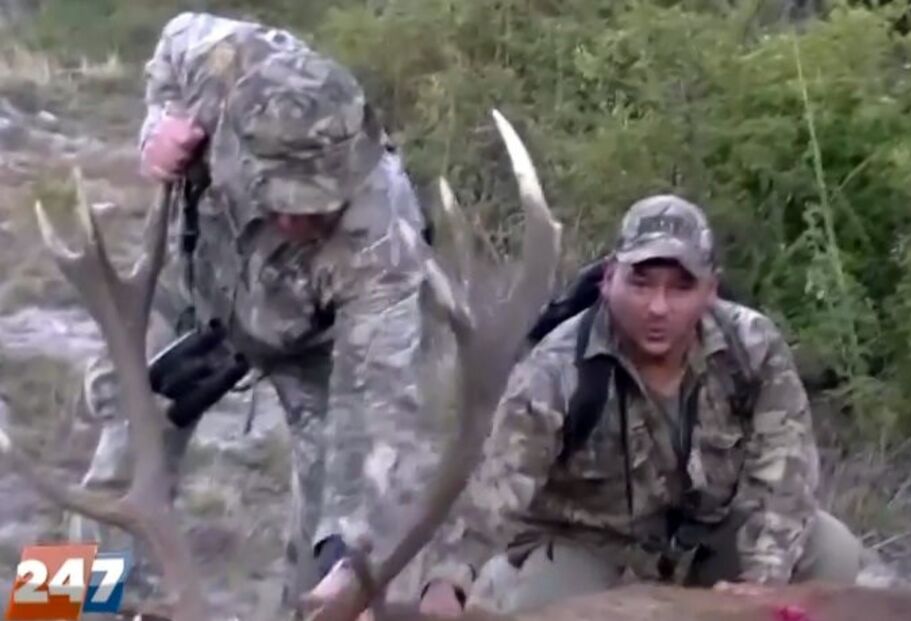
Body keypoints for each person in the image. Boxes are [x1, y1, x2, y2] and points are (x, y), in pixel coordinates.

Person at [71, 10, 455, 609]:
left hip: (314, 344)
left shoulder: (384, 238)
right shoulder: (219, 59)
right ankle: (72, 608)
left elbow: (376, 404)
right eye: (284, 202)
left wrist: (348, 553)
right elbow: (171, 41)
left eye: (318, 206)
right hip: (199, 297)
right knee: (118, 472)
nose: (299, 221)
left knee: (335, 532)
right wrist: (156, 127)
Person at [414, 194, 864, 616]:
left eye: (681, 288)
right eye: (641, 284)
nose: (658, 307)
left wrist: (762, 582)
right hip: (593, 550)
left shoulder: (752, 348)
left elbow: (786, 472)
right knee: (534, 606)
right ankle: (505, 585)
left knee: (832, 551)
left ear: (710, 290)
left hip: (702, 541)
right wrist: (448, 577)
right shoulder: (556, 370)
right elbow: (498, 486)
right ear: (609, 279)